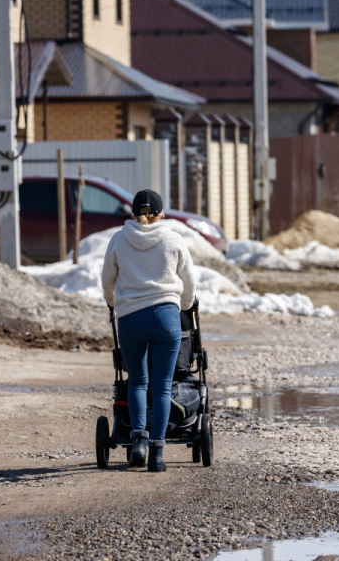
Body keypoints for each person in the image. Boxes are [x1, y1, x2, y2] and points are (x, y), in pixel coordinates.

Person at [102, 189, 196, 472]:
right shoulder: (173, 239)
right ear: (161, 213)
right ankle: (157, 454)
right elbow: (188, 281)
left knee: (137, 382)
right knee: (162, 385)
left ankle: (138, 443)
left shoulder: (119, 239)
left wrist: (115, 303)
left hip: (129, 319)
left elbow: (108, 281)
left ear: (133, 213)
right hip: (166, 317)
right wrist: (185, 304)